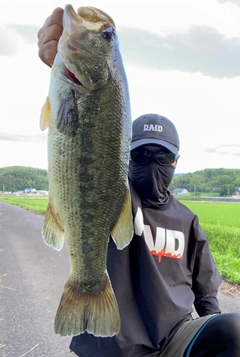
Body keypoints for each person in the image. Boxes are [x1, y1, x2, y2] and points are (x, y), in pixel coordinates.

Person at [37, 8, 240, 357]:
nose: (151, 163)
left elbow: (207, 291)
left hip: (175, 340)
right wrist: (56, 62)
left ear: (175, 161)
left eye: (161, 156)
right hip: (116, 345)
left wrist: (214, 336)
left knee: (234, 330)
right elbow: (86, 150)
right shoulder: (117, 195)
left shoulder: (188, 221)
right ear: (125, 156)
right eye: (141, 155)